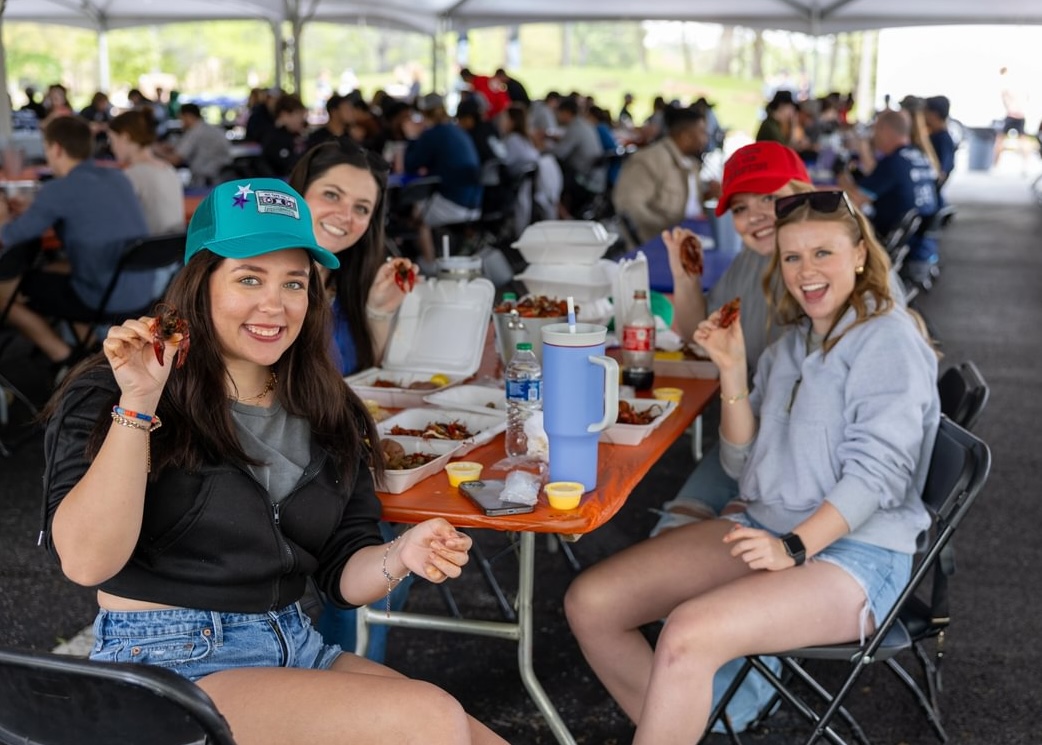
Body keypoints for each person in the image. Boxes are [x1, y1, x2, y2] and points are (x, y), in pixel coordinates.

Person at [40, 177, 509, 745]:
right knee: (429, 720)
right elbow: (86, 562)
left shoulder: (327, 405)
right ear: (199, 284)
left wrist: (401, 553)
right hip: (166, 662)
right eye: (248, 278)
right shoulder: (113, 387)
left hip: (296, 644)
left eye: (294, 282)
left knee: (471, 733)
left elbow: (341, 573)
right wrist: (138, 403)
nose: (274, 304)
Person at [565, 188, 940, 744]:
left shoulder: (886, 338)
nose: (805, 272)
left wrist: (793, 547)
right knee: (592, 603)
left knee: (688, 633)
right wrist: (732, 372)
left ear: (860, 254)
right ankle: (688, 724)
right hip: (766, 526)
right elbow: (742, 464)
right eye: (792, 257)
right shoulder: (794, 342)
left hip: (857, 556)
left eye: (823, 253)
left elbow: (877, 477)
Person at [0, 116, 149, 373]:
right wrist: (38, 210)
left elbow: (9, 236)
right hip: (142, 291)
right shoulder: (118, 178)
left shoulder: (58, 190)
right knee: (57, 269)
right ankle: (91, 349)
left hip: (100, 296)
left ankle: (65, 357)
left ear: (56, 148)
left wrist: (4, 216)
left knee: (7, 294)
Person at [838, 109, 939, 286]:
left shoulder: (894, 163)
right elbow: (878, 178)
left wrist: (840, 175)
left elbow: (855, 199)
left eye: (875, 131)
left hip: (897, 252)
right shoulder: (917, 156)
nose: (873, 137)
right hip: (922, 248)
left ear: (884, 130)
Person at [613, 105, 715, 247]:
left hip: (690, 242)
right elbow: (629, 208)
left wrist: (709, 194)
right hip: (656, 247)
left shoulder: (691, 163)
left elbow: (690, 205)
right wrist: (669, 231)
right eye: (702, 133)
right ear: (685, 137)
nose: (705, 139)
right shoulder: (649, 160)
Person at [108, 109, 186, 235]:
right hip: (176, 249)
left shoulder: (132, 175)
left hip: (148, 248)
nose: (112, 147)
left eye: (112, 140)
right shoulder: (169, 169)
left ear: (125, 137)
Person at [160, 102, 232, 187]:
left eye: (181, 118)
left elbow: (175, 160)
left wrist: (150, 156)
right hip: (222, 177)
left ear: (188, 116)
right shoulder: (208, 128)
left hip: (206, 181)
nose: (181, 123)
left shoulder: (195, 131)